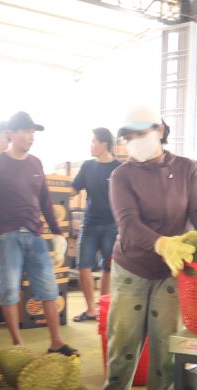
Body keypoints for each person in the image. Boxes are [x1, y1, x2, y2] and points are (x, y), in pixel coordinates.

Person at [104, 105, 197, 390]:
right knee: (123, 347)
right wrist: (162, 243)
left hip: (171, 270)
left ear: (160, 130)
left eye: (142, 133)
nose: (135, 141)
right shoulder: (121, 175)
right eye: (129, 136)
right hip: (131, 268)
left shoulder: (187, 168)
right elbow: (128, 224)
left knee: (165, 348)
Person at [0, 111, 76, 356]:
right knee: (10, 291)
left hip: (35, 235)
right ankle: (18, 346)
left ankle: (56, 342)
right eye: (25, 131)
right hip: (6, 235)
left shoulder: (36, 163)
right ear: (10, 134)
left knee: (49, 290)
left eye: (32, 132)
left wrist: (57, 232)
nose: (30, 137)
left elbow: (45, 200)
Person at [71, 127, 121, 321]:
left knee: (107, 268)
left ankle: (103, 308)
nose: (91, 145)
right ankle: (91, 309)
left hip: (112, 226)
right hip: (89, 225)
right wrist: (50, 192)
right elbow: (74, 189)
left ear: (104, 144)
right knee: (83, 266)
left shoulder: (119, 168)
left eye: (93, 141)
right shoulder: (87, 167)